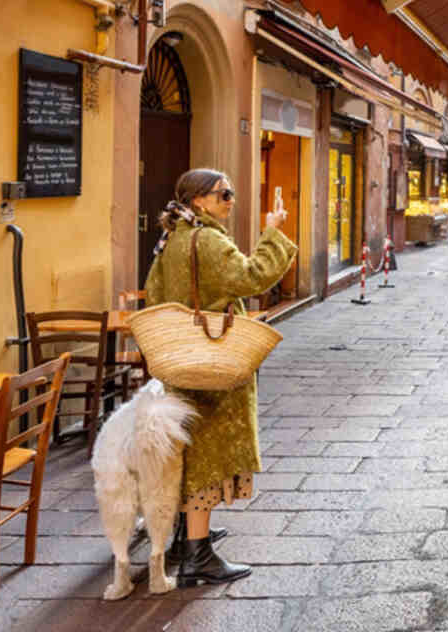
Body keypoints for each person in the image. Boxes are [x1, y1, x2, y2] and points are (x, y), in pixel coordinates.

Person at [145, 168, 297, 586]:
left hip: (181, 358)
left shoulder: (172, 239)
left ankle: (183, 539)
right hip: (212, 361)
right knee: (209, 456)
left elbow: (154, 295)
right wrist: (272, 233)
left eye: (231, 192)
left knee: (187, 452)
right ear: (198, 200)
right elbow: (251, 278)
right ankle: (199, 554)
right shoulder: (207, 240)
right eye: (223, 194)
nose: (231, 200)